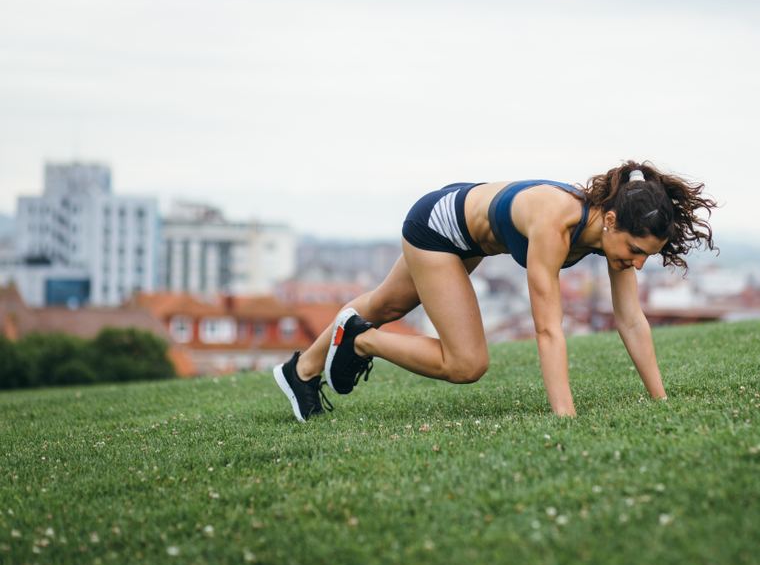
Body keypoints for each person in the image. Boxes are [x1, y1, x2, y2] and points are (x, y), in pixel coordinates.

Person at [272, 160, 716, 421]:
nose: (636, 263)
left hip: (463, 227)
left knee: (385, 303)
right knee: (467, 363)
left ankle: (301, 373)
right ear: (615, 221)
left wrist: (661, 402)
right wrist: (566, 417)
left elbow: (631, 319)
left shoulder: (613, 234)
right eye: (636, 251)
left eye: (646, 257)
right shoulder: (557, 223)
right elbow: (548, 329)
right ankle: (362, 339)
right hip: (439, 227)